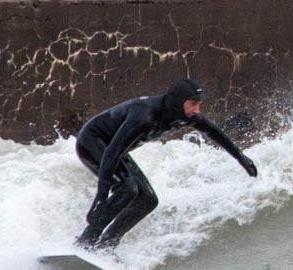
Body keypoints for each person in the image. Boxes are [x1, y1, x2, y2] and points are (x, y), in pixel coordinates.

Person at [74, 78, 258, 249]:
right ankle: (87, 241)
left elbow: (213, 132)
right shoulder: (144, 115)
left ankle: (107, 244)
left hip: (116, 150)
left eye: (199, 105)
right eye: (193, 104)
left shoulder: (186, 116)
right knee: (127, 189)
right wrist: (101, 195)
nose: (197, 110)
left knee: (148, 200)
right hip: (92, 142)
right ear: (178, 101)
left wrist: (241, 158)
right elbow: (112, 151)